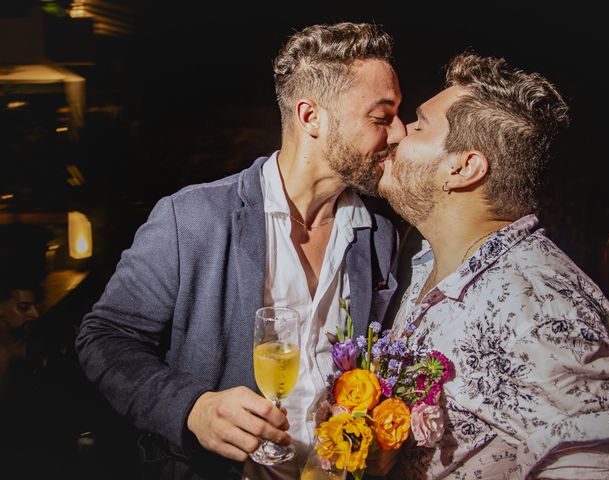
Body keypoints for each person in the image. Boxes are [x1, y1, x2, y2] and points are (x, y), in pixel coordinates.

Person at [75, 22, 405, 480]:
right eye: (382, 116)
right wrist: (193, 409)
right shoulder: (191, 219)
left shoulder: (380, 232)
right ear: (311, 117)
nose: (399, 133)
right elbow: (104, 336)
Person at [378, 52, 609, 479]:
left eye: (419, 124)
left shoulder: (531, 302)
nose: (396, 132)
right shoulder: (437, 265)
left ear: (463, 168)